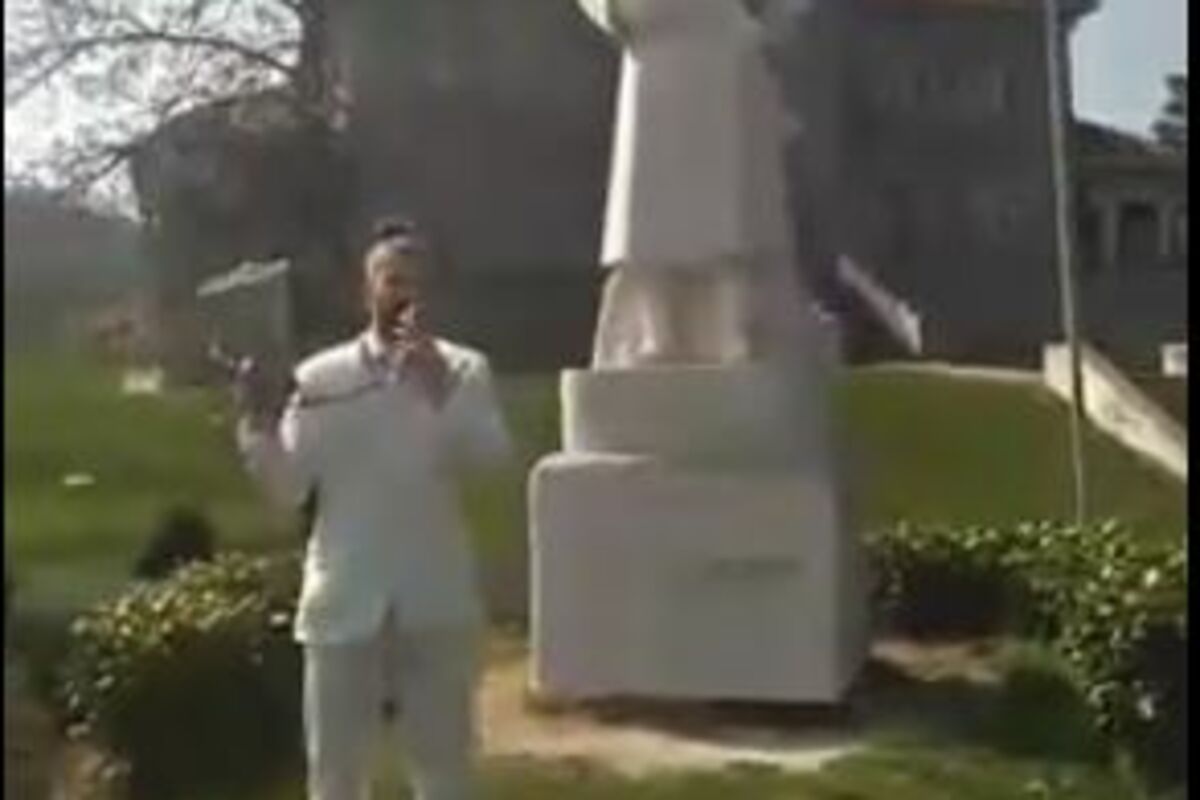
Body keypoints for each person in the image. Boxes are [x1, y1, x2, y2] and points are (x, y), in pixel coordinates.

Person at [234, 217, 512, 800]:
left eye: (419, 283)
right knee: (335, 774)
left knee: (445, 770)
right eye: (393, 281)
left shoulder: (465, 370)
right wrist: (258, 428)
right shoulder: (322, 377)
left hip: (433, 599)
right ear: (368, 291)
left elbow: (489, 460)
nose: (407, 295)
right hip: (343, 599)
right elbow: (290, 488)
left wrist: (439, 393)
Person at [576, 0, 813, 368]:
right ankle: (659, 332)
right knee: (651, 211)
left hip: (726, 53)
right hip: (655, 56)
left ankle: (737, 324)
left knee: (732, 205)